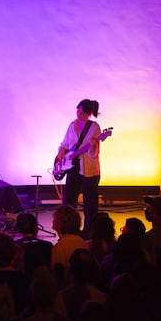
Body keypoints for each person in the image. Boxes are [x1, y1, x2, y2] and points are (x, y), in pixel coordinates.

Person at [54, 99, 104, 237]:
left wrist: (93, 145)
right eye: (78, 110)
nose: (78, 113)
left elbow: (94, 153)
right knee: (68, 201)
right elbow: (65, 143)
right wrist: (61, 152)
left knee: (90, 203)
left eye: (81, 111)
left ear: (88, 113)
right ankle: (68, 231)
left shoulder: (94, 127)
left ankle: (89, 233)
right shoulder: (72, 125)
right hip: (72, 167)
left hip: (89, 169)